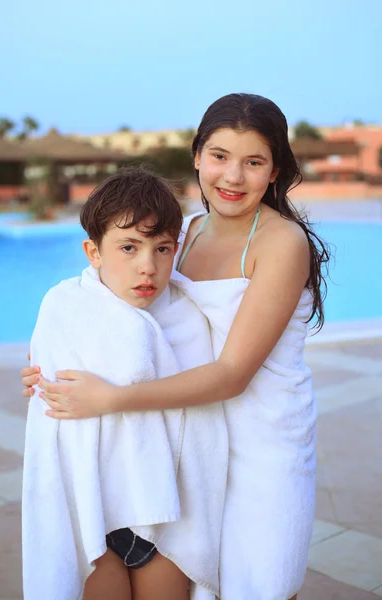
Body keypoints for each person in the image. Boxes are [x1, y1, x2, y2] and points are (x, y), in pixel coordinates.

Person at [23, 93, 330, 600]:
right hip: (191, 435)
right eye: (219, 156)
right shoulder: (182, 233)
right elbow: (129, 320)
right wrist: (52, 369)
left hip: (263, 438)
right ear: (196, 156)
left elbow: (233, 373)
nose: (232, 177)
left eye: (253, 162)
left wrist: (109, 398)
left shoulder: (282, 243)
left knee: (262, 583)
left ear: (275, 171)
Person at [22, 166, 229, 600]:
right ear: (93, 252)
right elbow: (50, 393)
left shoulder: (188, 315)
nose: (147, 266)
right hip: (94, 508)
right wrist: (39, 379)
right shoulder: (65, 306)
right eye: (128, 248)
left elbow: (203, 412)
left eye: (162, 249)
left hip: (169, 516)